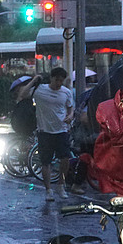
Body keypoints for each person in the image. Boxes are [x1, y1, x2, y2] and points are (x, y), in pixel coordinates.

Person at [34, 67, 75, 201]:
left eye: (61, 81)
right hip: (45, 131)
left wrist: (70, 116)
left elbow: (70, 108)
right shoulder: (40, 90)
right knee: (46, 161)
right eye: (56, 80)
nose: (58, 83)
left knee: (65, 158)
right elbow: (22, 94)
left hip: (61, 130)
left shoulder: (66, 92)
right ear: (51, 78)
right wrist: (34, 80)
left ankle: (61, 184)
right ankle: (48, 189)